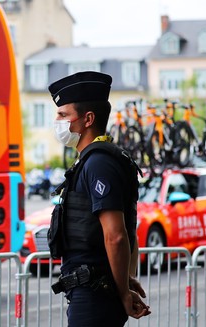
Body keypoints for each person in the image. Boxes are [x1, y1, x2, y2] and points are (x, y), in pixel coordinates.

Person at [47, 71, 150, 326]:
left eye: (63, 115)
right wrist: (124, 279)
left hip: (94, 294)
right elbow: (129, 228)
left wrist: (123, 292)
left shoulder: (98, 164)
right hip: (94, 291)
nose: (57, 121)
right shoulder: (99, 160)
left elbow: (116, 235)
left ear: (88, 119)